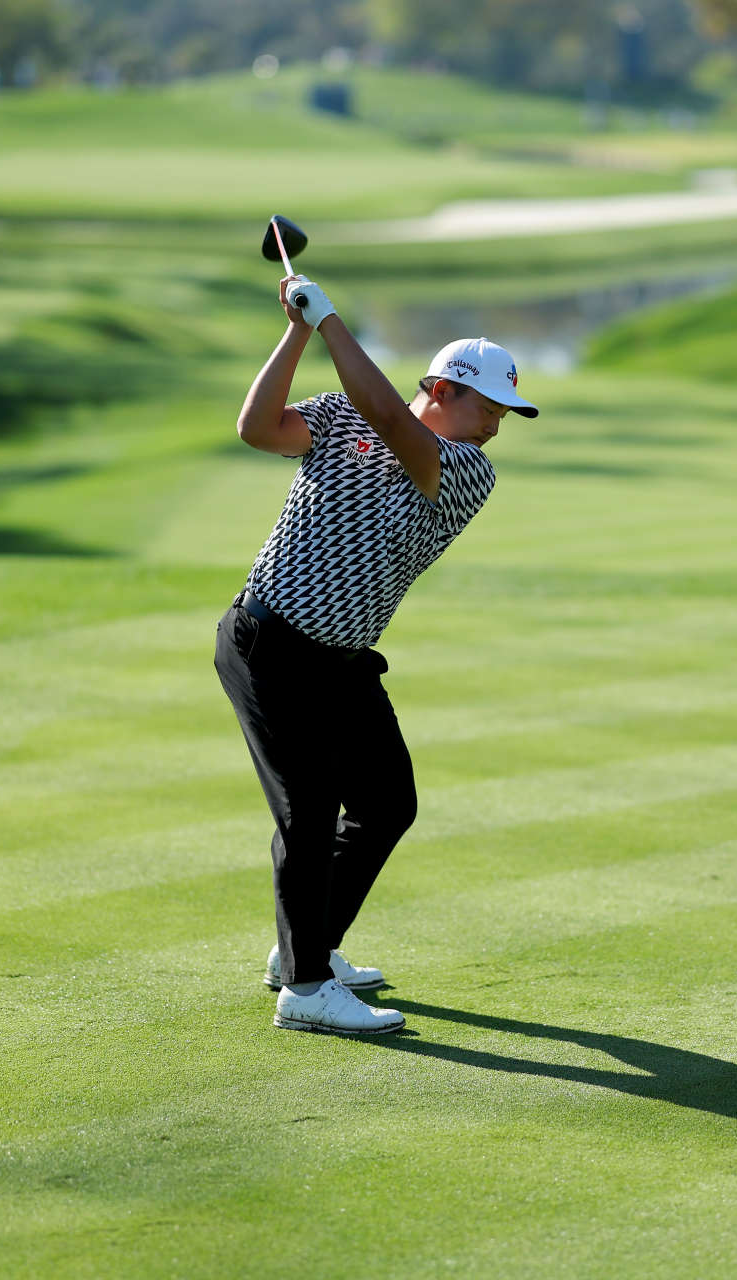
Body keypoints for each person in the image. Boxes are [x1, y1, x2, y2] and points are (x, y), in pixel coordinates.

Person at [215, 272, 538, 1035]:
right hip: (271, 643)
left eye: (505, 413)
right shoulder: (341, 417)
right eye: (489, 406)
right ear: (444, 388)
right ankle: (304, 988)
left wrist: (328, 319)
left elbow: (394, 422)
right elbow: (257, 429)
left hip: (341, 660)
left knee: (388, 802)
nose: (496, 425)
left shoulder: (463, 470)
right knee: (310, 807)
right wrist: (298, 329)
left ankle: (309, 949)